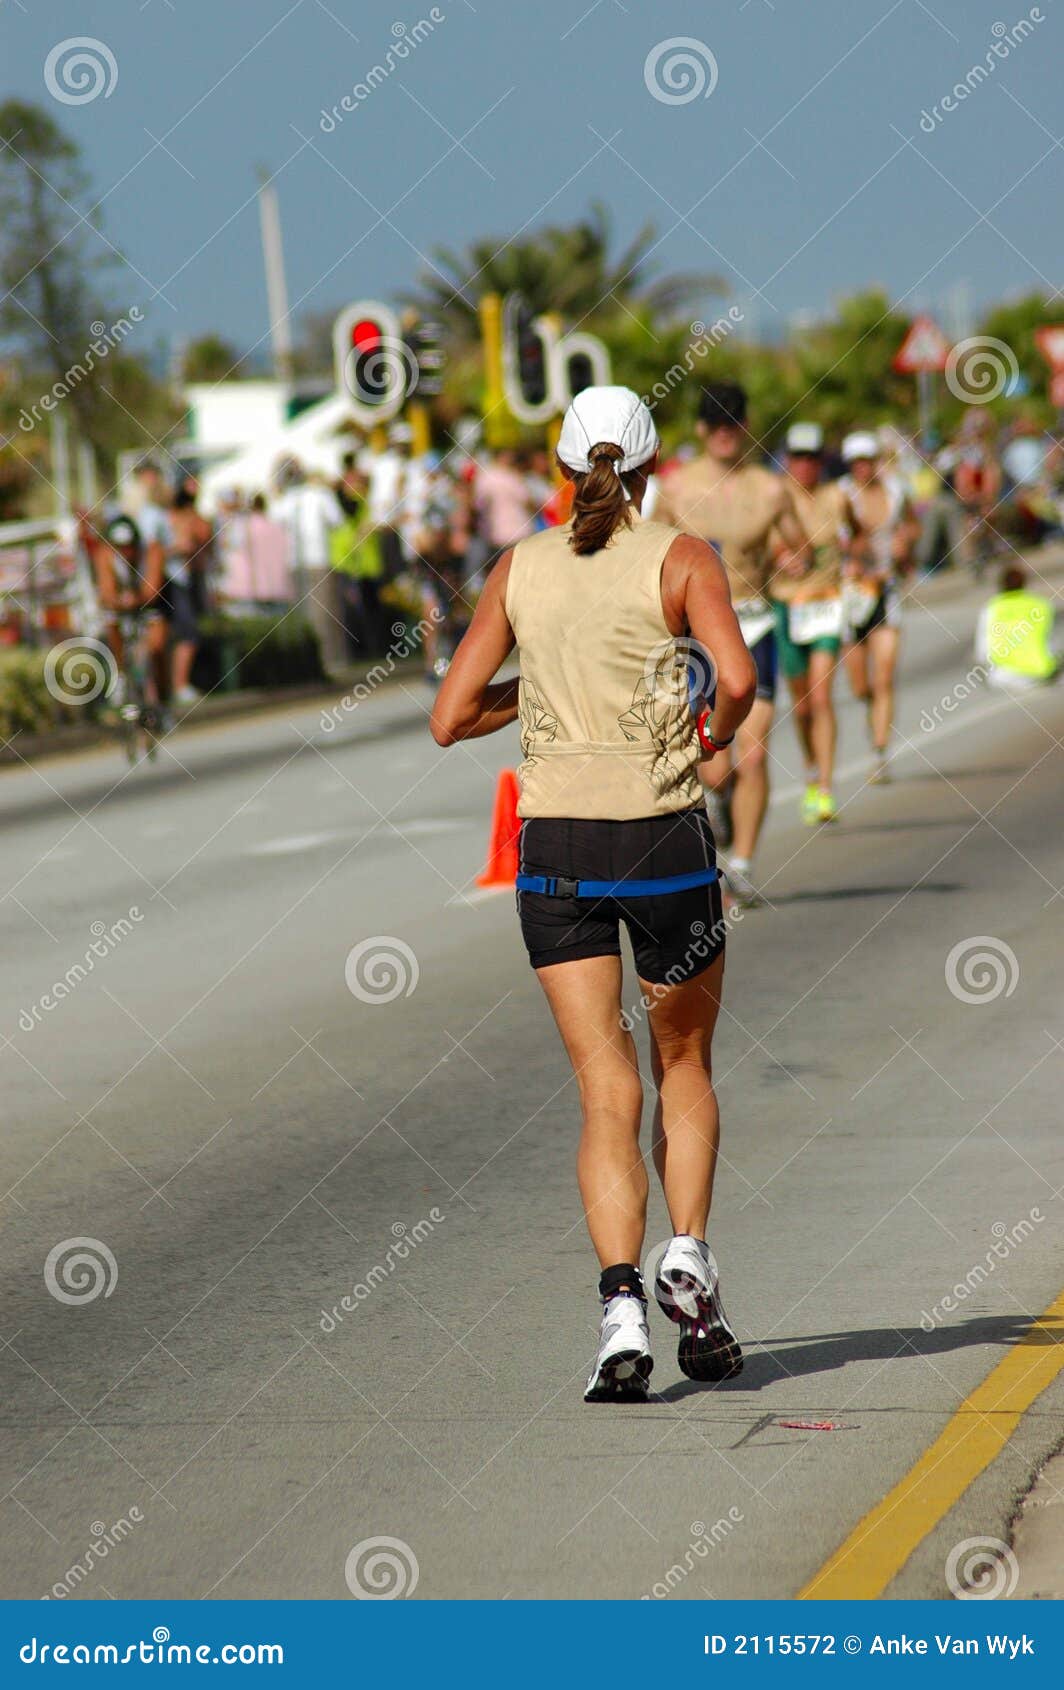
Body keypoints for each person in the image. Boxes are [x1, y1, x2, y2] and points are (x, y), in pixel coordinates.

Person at [430, 386, 757, 1402]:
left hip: (556, 849)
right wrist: (705, 738)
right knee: (683, 1065)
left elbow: (448, 717)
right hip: (663, 841)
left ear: (563, 469)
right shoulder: (682, 556)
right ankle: (687, 1255)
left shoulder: (519, 566)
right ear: (650, 468)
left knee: (603, 1091)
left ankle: (619, 1309)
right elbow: (737, 681)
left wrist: (533, 691)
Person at [656, 381, 810, 903]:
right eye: (716, 424)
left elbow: (801, 546)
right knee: (715, 763)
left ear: (745, 428)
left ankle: (742, 863)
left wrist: (792, 560)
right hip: (698, 635)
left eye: (734, 423)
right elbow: (647, 551)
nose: (725, 433)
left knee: (755, 754)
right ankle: (720, 801)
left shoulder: (770, 489)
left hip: (754, 623)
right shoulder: (675, 488)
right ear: (702, 429)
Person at [772, 424, 860, 824]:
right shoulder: (775, 497)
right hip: (787, 607)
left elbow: (857, 534)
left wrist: (854, 558)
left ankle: (825, 787)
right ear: (787, 459)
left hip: (825, 605)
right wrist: (778, 558)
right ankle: (810, 767)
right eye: (798, 457)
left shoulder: (836, 496)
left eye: (812, 457)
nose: (805, 465)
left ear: (822, 460)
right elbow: (756, 544)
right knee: (803, 704)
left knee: (822, 697)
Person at [839, 431, 920, 783]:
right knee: (860, 685)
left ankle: (880, 752)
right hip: (852, 595)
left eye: (867, 460)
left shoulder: (896, 491)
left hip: (886, 590)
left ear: (876, 460)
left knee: (884, 676)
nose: (862, 467)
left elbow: (913, 525)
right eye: (856, 461)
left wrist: (906, 543)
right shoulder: (841, 495)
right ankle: (872, 715)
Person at [270, 462, 345, 673]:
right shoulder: (319, 495)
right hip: (314, 560)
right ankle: (326, 661)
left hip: (302, 561)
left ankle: (319, 662)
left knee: (308, 614)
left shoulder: (287, 499)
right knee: (321, 613)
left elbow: (275, 520)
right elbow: (337, 521)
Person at [91, 513, 167, 708]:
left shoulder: (151, 551)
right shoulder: (105, 555)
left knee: (156, 645)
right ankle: (121, 674)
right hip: (121, 607)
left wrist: (138, 599)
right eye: (120, 547)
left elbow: (152, 590)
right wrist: (119, 601)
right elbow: (106, 592)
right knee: (111, 623)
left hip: (149, 606)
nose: (126, 552)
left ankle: (162, 693)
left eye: (129, 546)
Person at [161, 483, 211, 707]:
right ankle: (178, 686)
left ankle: (175, 686)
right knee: (186, 633)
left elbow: (204, 535)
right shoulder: (169, 519)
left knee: (185, 633)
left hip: (182, 580)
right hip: (173, 581)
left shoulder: (184, 519)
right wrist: (179, 546)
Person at [975, 563, 1059, 689]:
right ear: (1024, 583)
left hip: (1004, 676)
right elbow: (1052, 641)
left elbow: (982, 651)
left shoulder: (992, 608)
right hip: (1040, 671)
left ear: (1001, 585)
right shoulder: (1041, 604)